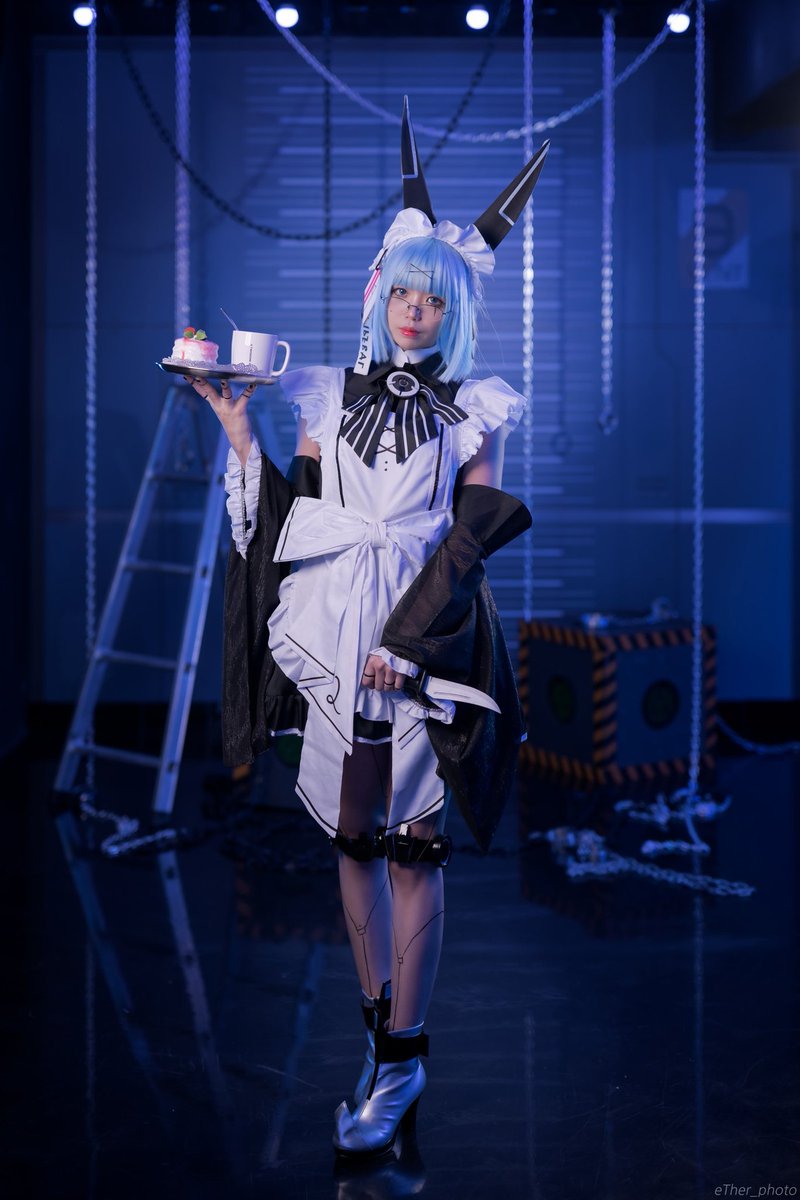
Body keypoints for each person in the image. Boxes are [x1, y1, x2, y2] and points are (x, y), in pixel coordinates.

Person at [187, 99, 548, 1159]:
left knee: (415, 845)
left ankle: (404, 1057)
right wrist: (237, 429)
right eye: (401, 292)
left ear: (453, 310)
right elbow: (284, 526)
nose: (413, 312)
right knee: (354, 834)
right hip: (339, 631)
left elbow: (470, 539)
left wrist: (410, 638)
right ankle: (381, 1042)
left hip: (424, 639)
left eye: (432, 299)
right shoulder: (320, 395)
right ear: (376, 293)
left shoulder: (475, 408)